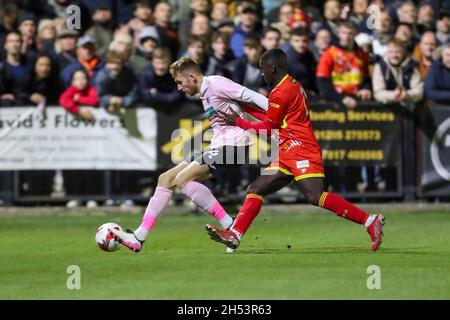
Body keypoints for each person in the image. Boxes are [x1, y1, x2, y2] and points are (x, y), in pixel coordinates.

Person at [206, 48, 385, 252]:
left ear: (272, 68)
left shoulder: (281, 92)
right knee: (256, 189)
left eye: (262, 69)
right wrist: (246, 108)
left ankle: (370, 221)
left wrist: (238, 121)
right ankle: (235, 235)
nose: (262, 74)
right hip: (286, 150)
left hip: (301, 148)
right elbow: (274, 119)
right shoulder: (291, 84)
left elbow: (267, 127)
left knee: (315, 196)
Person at [109, 57, 268, 253]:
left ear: (192, 77)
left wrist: (278, 113)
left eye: (179, 82)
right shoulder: (204, 93)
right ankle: (139, 236)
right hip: (219, 146)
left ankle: (229, 225)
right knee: (166, 178)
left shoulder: (216, 83)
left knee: (182, 179)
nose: (179, 88)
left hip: (235, 147)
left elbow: (251, 96)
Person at [372, 39, 424, 105]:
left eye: (398, 52)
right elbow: (377, 93)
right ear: (387, 52)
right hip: (386, 108)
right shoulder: (380, 66)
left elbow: (419, 92)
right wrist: (394, 95)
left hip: (409, 106)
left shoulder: (411, 66)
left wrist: (406, 95)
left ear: (403, 52)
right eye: (391, 52)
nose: (394, 55)